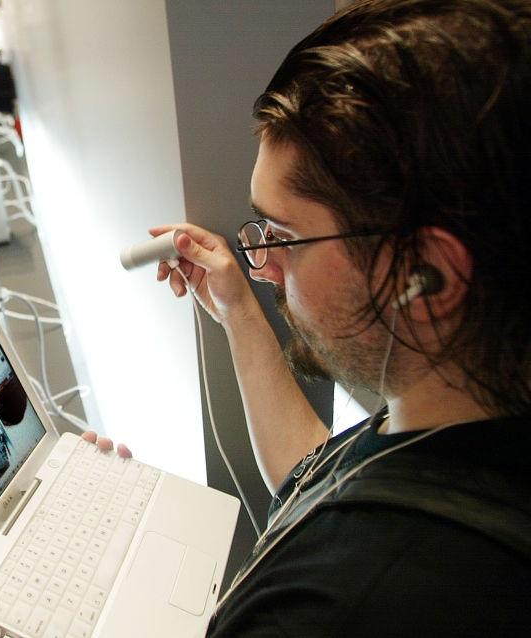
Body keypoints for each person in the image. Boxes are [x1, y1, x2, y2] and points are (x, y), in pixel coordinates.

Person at [93, 0, 531, 634]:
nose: (262, 263)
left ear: (427, 279)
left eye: (284, 235)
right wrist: (239, 312)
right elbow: (319, 474)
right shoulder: (460, 419)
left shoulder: (335, 605)